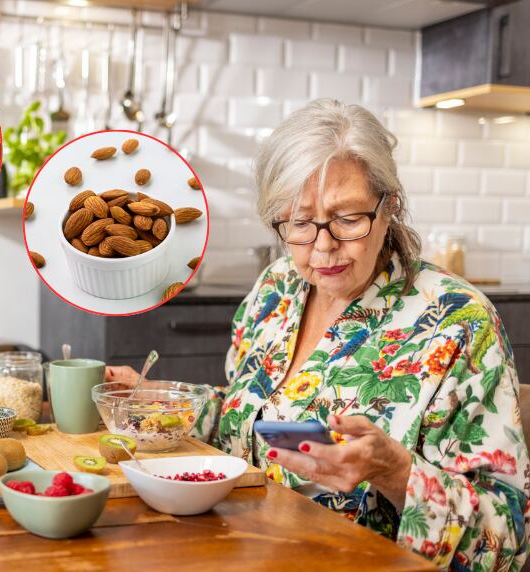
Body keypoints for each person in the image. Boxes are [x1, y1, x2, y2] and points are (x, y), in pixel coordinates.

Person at [106, 99, 530, 570]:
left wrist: (396, 472)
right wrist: (164, 402)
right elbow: (253, 419)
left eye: (348, 219)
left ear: (389, 206)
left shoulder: (459, 322)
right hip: (234, 550)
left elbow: (506, 538)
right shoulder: (277, 288)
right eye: (300, 222)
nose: (324, 246)